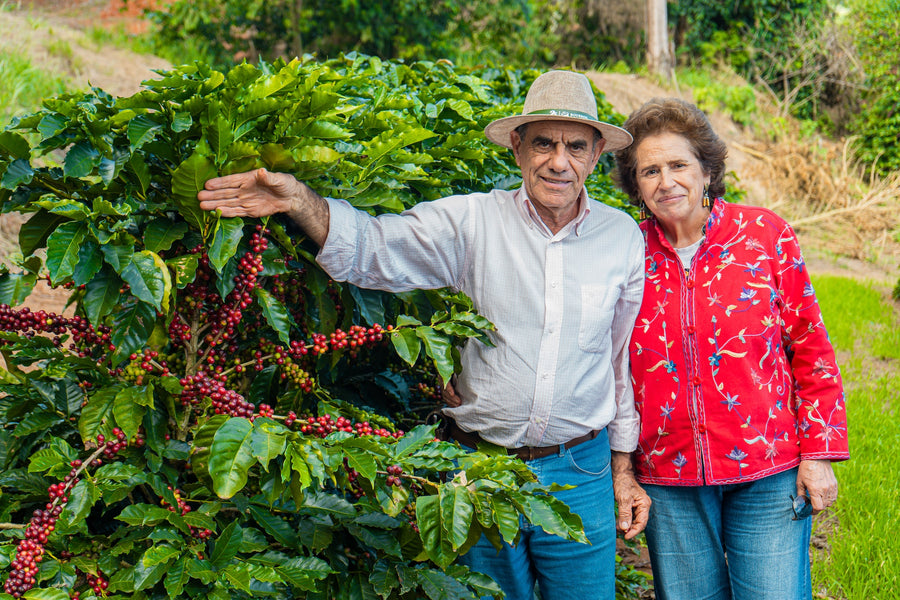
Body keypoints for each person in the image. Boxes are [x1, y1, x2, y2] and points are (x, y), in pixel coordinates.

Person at [197, 70, 652, 600]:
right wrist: (298, 199)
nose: (558, 161)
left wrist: (622, 469)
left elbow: (620, 360)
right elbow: (373, 249)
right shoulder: (471, 222)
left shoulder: (619, 237)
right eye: (543, 143)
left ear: (596, 155)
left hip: (582, 469)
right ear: (516, 147)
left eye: (575, 146)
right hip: (478, 466)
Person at [612, 97, 850, 600]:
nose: (666, 181)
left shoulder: (765, 236)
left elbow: (810, 347)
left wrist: (819, 454)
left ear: (706, 170)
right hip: (667, 472)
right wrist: (624, 470)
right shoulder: (624, 252)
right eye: (649, 170)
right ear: (635, 184)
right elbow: (605, 360)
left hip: (767, 468)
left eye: (678, 164)